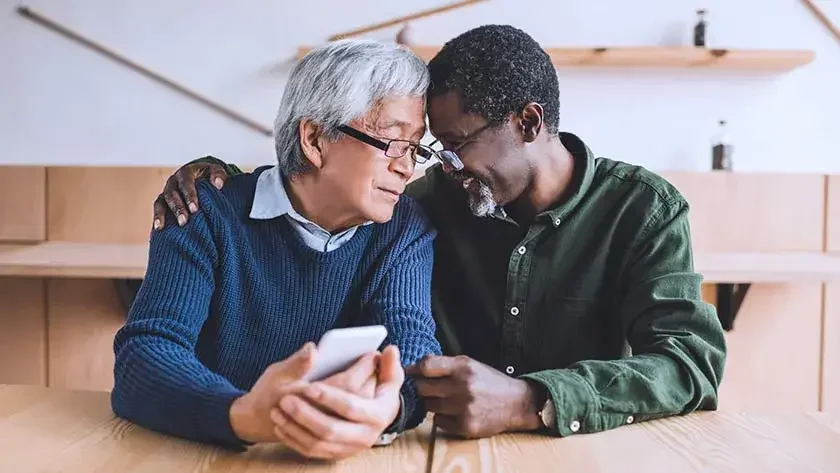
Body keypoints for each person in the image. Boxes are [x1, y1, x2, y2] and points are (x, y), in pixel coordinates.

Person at [153, 25, 726, 442]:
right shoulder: (427, 203)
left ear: (528, 124)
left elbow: (691, 365)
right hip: (429, 449)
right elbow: (310, 184)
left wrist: (534, 399)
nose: (431, 167)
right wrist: (212, 177)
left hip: (581, 451)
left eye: (454, 146)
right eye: (430, 149)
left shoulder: (642, 209)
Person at [111, 38, 442, 460]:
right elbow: (146, 355)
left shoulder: (403, 228)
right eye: (393, 142)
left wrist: (389, 409)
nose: (406, 166)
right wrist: (243, 415)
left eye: (414, 147)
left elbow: (413, 346)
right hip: (206, 454)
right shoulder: (205, 211)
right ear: (315, 139)